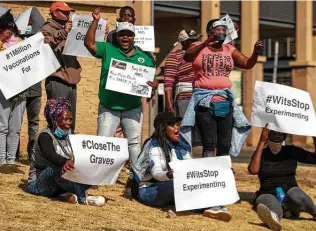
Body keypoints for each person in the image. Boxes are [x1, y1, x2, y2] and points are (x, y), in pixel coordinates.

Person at [181, 18, 263, 216]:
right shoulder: (198, 47)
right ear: (210, 31)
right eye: (218, 29)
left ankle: (221, 187)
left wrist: (255, 53)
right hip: (204, 102)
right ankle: (208, 191)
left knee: (224, 145)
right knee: (210, 144)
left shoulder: (229, 49)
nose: (222, 32)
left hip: (225, 102)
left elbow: (247, 64)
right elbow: (187, 57)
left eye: (224, 29)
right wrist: (205, 42)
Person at [84, 8, 158, 166]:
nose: (125, 37)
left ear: (133, 37)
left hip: (133, 108)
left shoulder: (145, 58)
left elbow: (152, 84)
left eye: (129, 35)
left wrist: (154, 85)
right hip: (108, 107)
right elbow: (89, 44)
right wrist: (95, 21)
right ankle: (96, 177)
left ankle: (137, 179)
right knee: (102, 143)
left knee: (134, 144)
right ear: (117, 36)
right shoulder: (107, 49)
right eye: (122, 34)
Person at [131, 112, 232, 221]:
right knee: (178, 185)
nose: (177, 127)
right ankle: (208, 207)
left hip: (170, 187)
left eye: (177, 124)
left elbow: (192, 166)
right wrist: (168, 175)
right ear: (163, 128)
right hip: (149, 190)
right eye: (172, 125)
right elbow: (156, 173)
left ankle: (213, 207)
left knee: (197, 182)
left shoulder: (180, 146)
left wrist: (217, 170)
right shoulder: (154, 146)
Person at [27, 98, 105, 206]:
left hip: (58, 182)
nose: (69, 123)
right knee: (56, 168)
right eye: (65, 119)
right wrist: (65, 161)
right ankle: (83, 197)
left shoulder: (69, 135)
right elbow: (51, 155)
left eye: (70, 119)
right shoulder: (45, 136)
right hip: (39, 183)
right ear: (55, 120)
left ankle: (66, 194)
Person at [248, 126, 316, 231]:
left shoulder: (292, 151)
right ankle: (274, 219)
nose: (276, 136)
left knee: (297, 195)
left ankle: (314, 212)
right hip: (268, 192)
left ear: (284, 136)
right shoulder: (262, 153)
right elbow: (253, 170)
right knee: (269, 202)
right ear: (267, 135)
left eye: (279, 134)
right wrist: (261, 142)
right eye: (273, 133)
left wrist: (314, 136)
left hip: (290, 191)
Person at [41, 2, 82, 133]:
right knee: (58, 119)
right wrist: (63, 32)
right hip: (57, 79)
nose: (67, 14)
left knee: (70, 120)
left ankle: (68, 149)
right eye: (64, 12)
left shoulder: (72, 28)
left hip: (71, 79)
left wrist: (98, 33)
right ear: (54, 13)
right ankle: (55, 150)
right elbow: (45, 44)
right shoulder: (47, 28)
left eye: (68, 12)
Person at [164, 29, 202, 146]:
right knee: (185, 131)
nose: (196, 42)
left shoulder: (202, 54)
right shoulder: (174, 56)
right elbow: (168, 81)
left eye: (197, 39)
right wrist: (168, 102)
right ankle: (185, 158)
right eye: (192, 41)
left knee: (202, 132)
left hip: (202, 96)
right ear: (184, 42)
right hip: (184, 97)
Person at [0, 8, 26, 174]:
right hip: (3, 90)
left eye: (10, 29)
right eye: (4, 29)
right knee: (2, 125)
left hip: (20, 89)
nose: (8, 32)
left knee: (15, 127)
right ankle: (1, 160)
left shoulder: (22, 43)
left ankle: (11, 160)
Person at [16, 15, 44, 161]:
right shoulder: (16, 43)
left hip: (35, 89)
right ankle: (14, 153)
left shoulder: (39, 44)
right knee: (16, 122)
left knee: (34, 122)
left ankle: (32, 154)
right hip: (19, 89)